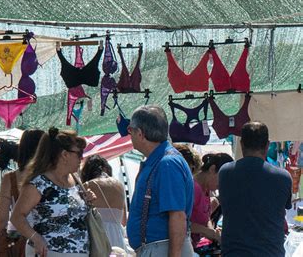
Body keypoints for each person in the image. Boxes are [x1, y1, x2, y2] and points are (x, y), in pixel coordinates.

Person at [10, 127, 94, 257]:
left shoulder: (76, 179)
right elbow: (16, 217)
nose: (81, 158)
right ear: (65, 155)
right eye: (79, 154)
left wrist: (87, 199)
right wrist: (36, 238)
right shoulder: (39, 183)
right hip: (48, 252)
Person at [126, 105, 194, 257]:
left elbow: (177, 215)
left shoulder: (167, 163)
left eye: (130, 130)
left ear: (140, 133)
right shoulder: (161, 161)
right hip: (159, 248)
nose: (129, 135)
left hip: (163, 249)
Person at [219, 121, 292, 257]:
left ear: (241, 144)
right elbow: (285, 207)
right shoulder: (283, 177)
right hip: (270, 253)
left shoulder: (225, 172)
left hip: (233, 253)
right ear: (267, 145)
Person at [0, 129, 45, 255]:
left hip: (17, 240)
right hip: (44, 239)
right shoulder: (51, 177)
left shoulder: (10, 179)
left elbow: (2, 219)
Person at [80, 154, 129, 251]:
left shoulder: (87, 186)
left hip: (97, 238)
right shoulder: (119, 186)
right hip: (117, 239)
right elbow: (124, 221)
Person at [190, 153, 233, 249]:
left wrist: (211, 230)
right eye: (222, 179)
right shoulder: (193, 189)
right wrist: (208, 232)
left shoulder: (206, 189)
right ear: (212, 169)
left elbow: (205, 218)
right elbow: (180, 222)